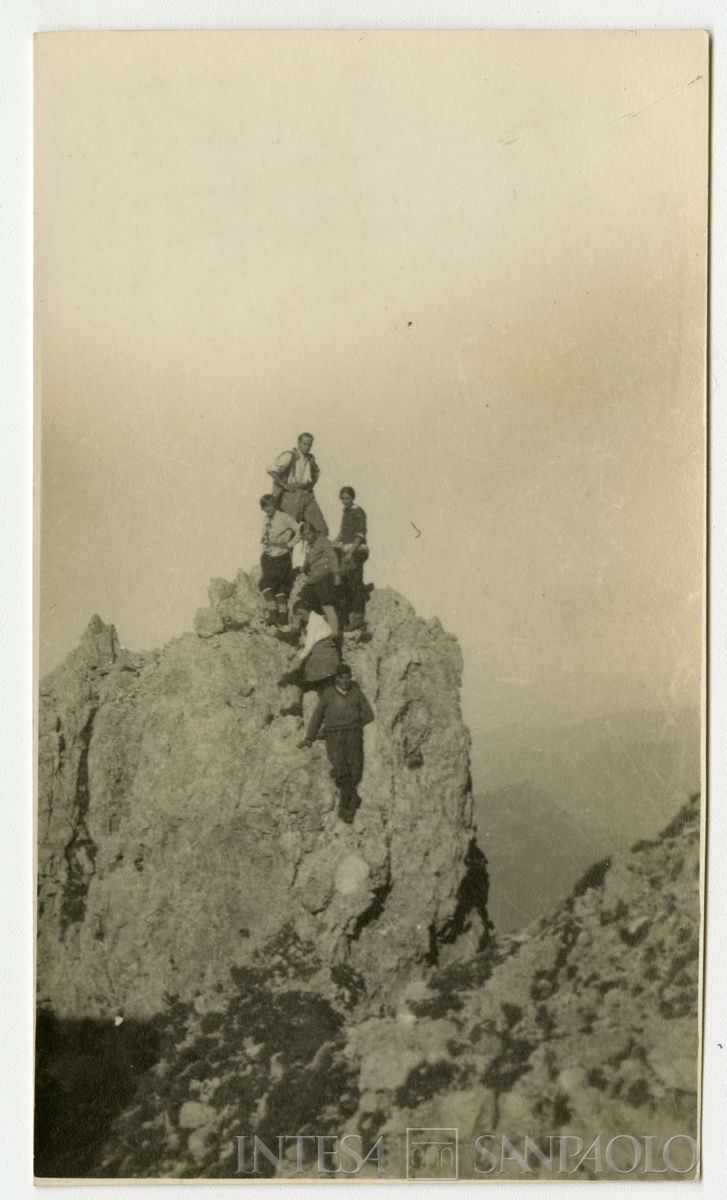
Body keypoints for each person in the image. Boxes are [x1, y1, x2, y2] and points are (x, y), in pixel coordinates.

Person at [301, 663, 375, 823]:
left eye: (349, 678)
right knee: (340, 768)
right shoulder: (327, 694)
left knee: (354, 768)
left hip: (353, 734)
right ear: (337, 679)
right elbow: (317, 717)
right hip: (334, 735)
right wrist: (310, 737)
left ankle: (346, 805)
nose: (346, 681)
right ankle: (349, 804)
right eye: (343, 678)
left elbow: (369, 714)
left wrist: (354, 723)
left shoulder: (356, 691)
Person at [280, 520, 341, 642]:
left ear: (313, 532)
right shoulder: (309, 546)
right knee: (300, 604)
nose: (307, 537)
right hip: (312, 579)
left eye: (308, 534)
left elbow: (333, 558)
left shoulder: (323, 542)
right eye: (304, 535)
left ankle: (335, 633)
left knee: (326, 603)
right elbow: (307, 562)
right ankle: (295, 632)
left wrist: (336, 575)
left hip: (325, 576)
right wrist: (302, 569)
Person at [267, 432, 328, 535]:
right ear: (298, 443)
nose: (307, 447)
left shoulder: (310, 459)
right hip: (291, 495)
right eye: (304, 444)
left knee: (320, 528)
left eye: (309, 444)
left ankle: (316, 550)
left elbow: (316, 473)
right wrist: (285, 485)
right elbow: (271, 470)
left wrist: (310, 485)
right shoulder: (289, 455)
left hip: (307, 495)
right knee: (288, 532)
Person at [258, 493, 299, 626]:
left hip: (281, 557)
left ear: (274, 504)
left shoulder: (283, 517)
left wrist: (289, 544)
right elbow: (264, 535)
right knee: (271, 585)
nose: (267, 509)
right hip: (269, 556)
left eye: (269, 506)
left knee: (273, 585)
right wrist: (264, 541)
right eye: (264, 507)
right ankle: (277, 615)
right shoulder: (266, 519)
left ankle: (278, 614)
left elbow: (300, 529)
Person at [332, 486, 369, 631]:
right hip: (346, 549)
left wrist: (350, 552)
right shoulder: (346, 512)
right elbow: (342, 533)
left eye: (347, 498)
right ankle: (344, 616)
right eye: (342, 499)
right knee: (342, 581)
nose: (344, 501)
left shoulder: (358, 512)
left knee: (355, 583)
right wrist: (332, 543)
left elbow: (360, 535)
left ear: (352, 498)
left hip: (357, 550)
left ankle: (358, 618)